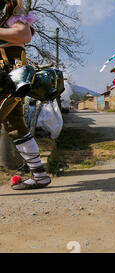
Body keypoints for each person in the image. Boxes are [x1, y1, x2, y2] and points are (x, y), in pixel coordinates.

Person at [0, 0, 52, 190]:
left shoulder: (7, 6)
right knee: (15, 125)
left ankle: (40, 175)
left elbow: (24, 34)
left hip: (5, 73)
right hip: (9, 74)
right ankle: (39, 175)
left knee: (14, 124)